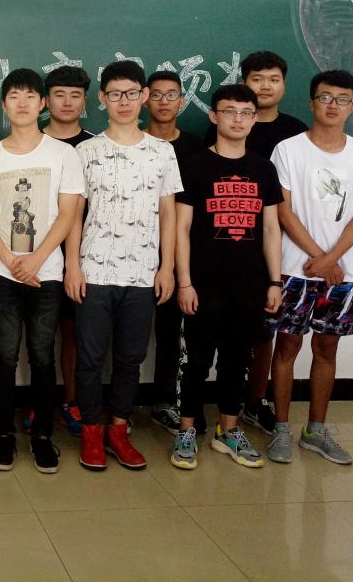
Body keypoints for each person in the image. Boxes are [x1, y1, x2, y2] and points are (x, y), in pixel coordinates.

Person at [265, 70, 353, 466]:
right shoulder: (288, 150)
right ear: (312, 101)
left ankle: (315, 430)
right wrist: (319, 257)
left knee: (327, 347)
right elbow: (283, 211)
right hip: (293, 268)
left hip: (341, 274)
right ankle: (281, 428)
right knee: (287, 346)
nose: (333, 105)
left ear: (352, 106)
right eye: (325, 97)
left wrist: (331, 261)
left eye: (342, 99)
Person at [0, 69, 83, 475]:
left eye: (30, 96)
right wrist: (10, 260)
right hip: (2, 272)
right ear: (4, 105)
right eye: (14, 96)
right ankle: (3, 435)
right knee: (4, 355)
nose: (22, 103)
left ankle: (42, 438)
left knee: (41, 355)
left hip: (46, 271)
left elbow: (68, 214)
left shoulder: (63, 154)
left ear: (42, 104)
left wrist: (36, 260)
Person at [72, 60, 181, 471]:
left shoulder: (162, 151)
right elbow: (74, 215)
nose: (123, 101)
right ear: (102, 99)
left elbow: (169, 213)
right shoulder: (85, 151)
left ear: (144, 97)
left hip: (142, 273)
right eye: (115, 94)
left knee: (130, 359)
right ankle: (91, 432)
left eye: (131, 93)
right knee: (89, 358)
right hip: (94, 271)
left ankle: (119, 429)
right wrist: (72, 266)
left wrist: (167, 268)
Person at [171, 85, 283, 470]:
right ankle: (187, 430)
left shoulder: (263, 168)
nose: (237, 119)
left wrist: (274, 282)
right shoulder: (194, 165)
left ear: (254, 119)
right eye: (229, 111)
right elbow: (181, 228)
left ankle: (228, 431)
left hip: (249, 284)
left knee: (237, 360)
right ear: (214, 116)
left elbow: (271, 229)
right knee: (197, 361)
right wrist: (184, 282)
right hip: (203, 283)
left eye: (245, 112)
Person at [205, 51, 308, 434]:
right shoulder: (221, 129)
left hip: (276, 243)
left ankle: (254, 400)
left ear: (284, 85)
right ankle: (218, 407)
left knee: (264, 331)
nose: (265, 86)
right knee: (215, 335)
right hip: (224, 246)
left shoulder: (296, 132)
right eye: (257, 78)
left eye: (273, 79)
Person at [30, 65, 95, 438]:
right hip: (33, 258)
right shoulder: (29, 142)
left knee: (73, 333)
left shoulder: (94, 146)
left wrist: (75, 263)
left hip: (81, 260)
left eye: (75, 95)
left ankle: (71, 401)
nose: (67, 102)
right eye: (59, 94)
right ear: (45, 101)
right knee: (36, 336)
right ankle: (39, 403)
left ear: (86, 101)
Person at [142, 69, 203, 435]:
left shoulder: (195, 147)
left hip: (182, 252)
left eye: (171, 95)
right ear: (144, 99)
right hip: (135, 250)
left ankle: (175, 402)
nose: (164, 102)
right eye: (156, 94)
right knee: (131, 335)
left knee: (176, 331)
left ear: (182, 101)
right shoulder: (132, 142)